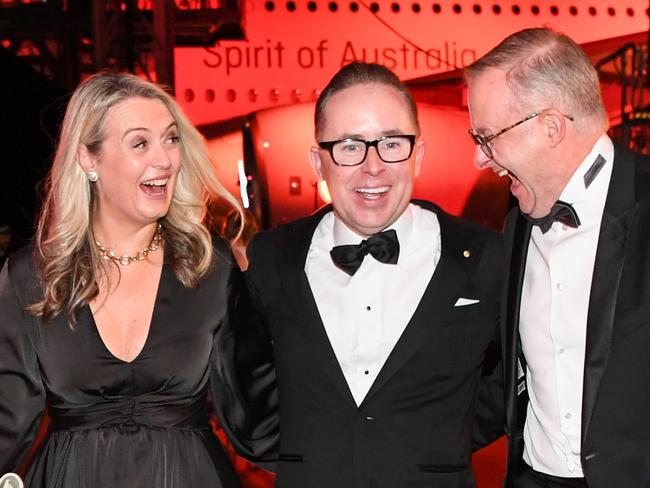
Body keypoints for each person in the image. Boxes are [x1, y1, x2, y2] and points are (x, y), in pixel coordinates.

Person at [0, 72, 277, 487]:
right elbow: (6, 421)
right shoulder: (32, 277)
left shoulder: (209, 267)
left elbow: (260, 415)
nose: (164, 159)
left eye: (170, 139)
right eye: (140, 143)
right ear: (88, 159)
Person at [244, 62, 504, 488]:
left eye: (391, 144)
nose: (373, 167)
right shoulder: (274, 257)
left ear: (418, 154)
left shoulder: (483, 256)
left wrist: (442, 441)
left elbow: (517, 373)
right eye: (349, 146)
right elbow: (245, 377)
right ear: (318, 161)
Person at [465, 28, 650, 488]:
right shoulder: (515, 227)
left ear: (550, 127)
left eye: (487, 136)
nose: (479, 159)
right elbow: (512, 377)